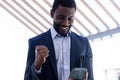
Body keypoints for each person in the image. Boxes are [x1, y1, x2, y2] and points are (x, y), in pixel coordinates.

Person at [24, 0, 94, 80]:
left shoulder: (84, 44)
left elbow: (90, 77)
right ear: (52, 13)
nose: (65, 23)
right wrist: (36, 66)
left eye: (70, 19)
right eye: (61, 17)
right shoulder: (35, 43)